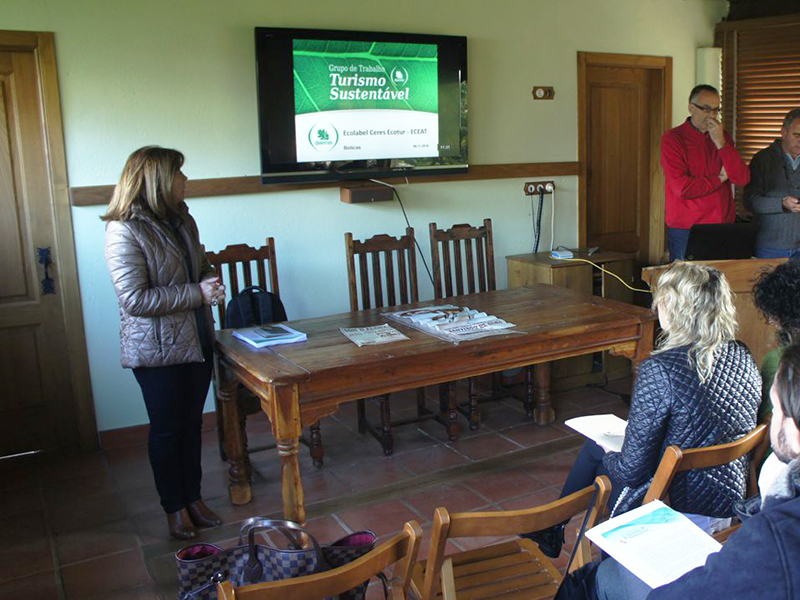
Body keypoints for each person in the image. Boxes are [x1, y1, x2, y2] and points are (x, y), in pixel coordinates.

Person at [524, 262, 761, 558]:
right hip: (728, 497)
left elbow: (633, 471)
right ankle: (553, 529)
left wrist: (613, 456)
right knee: (598, 449)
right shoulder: (741, 354)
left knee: (602, 460)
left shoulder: (659, 369)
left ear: (673, 308)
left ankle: (579, 554)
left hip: (677, 504)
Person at [595, 343, 800, 600]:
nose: (770, 421)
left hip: (696, 545)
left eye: (776, 410)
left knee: (605, 575)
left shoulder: (774, 534)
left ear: (797, 434)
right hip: (728, 504)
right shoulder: (741, 354)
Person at [103, 146, 226, 540]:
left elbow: (201, 262)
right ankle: (173, 508)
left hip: (195, 340)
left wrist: (209, 278)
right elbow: (134, 300)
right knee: (167, 430)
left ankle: (194, 498)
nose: (185, 181)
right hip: (156, 352)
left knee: (192, 427)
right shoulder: (123, 227)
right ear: (157, 180)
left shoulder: (182, 218)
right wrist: (197, 293)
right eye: (179, 174)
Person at [661, 84, 750, 261]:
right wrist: (719, 179)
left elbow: (742, 178)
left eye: (716, 110)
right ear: (691, 107)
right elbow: (683, 189)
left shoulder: (722, 136)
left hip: (723, 226)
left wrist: (721, 143)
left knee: (719, 285)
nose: (712, 116)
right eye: (706, 109)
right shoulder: (673, 138)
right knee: (686, 286)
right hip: (687, 229)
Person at [744, 108, 800, 258]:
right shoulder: (762, 160)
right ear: (783, 132)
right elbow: (750, 201)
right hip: (770, 247)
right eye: (796, 135)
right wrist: (781, 204)